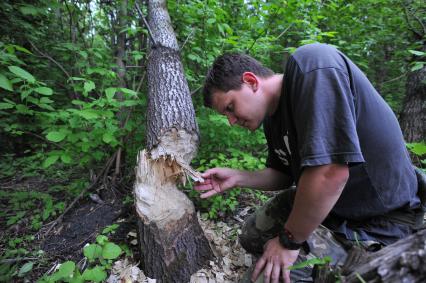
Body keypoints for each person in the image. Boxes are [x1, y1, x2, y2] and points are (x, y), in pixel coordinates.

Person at [194, 43, 424, 283]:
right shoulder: (274, 117)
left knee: (262, 278)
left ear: (251, 81)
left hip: (379, 223)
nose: (231, 120)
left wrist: (288, 242)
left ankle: (349, 261)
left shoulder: (313, 66)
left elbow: (330, 173)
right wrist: (238, 177)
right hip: (338, 210)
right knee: (252, 234)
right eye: (225, 115)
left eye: (230, 107)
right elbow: (283, 174)